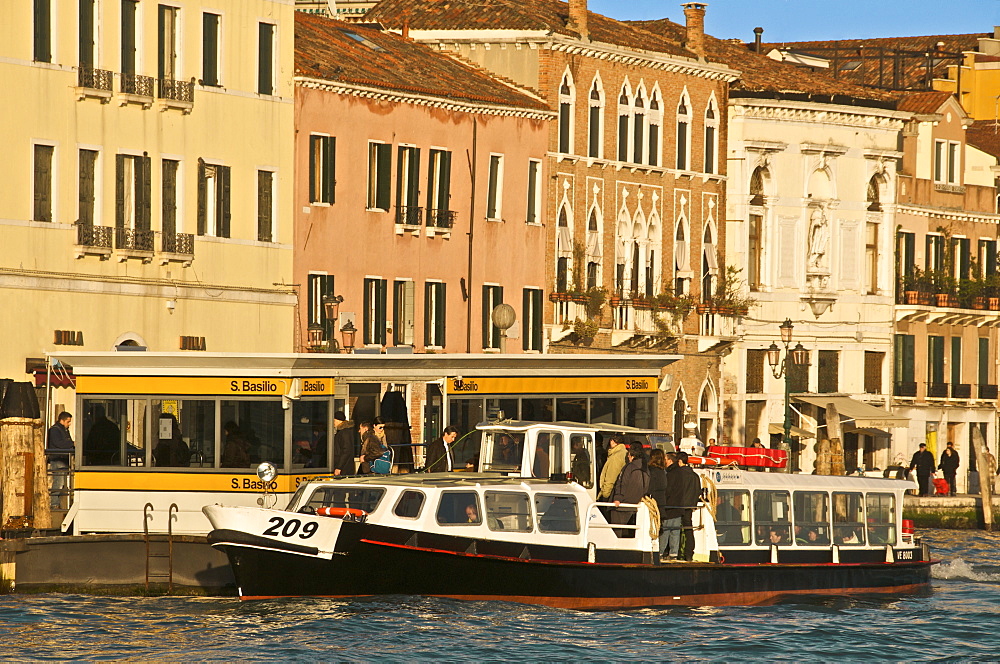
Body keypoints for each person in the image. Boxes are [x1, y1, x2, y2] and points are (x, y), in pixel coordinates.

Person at [662, 451, 701, 561]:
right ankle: (688, 553)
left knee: (672, 530)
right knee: (688, 530)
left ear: (679, 461)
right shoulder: (694, 476)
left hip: (678, 506)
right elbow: (697, 491)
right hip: (689, 507)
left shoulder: (678, 474)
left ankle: (671, 552)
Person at [609, 442, 650, 538]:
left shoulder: (629, 467)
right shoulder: (645, 469)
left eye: (629, 455)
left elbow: (621, 483)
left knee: (616, 532)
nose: (627, 457)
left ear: (632, 456)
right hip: (636, 504)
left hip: (623, 505)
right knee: (632, 533)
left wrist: (617, 498)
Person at [46, 411, 73, 508]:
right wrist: (72, 444)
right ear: (62, 420)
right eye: (68, 422)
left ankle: (57, 503)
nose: (69, 424)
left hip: (62, 458)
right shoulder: (55, 430)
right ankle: (54, 503)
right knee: (59, 482)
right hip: (58, 459)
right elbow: (59, 444)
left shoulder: (62, 430)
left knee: (61, 482)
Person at [647, 449, 672, 556]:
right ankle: (660, 552)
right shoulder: (663, 471)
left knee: (651, 528)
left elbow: (650, 488)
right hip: (661, 503)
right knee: (659, 528)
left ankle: (653, 551)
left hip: (653, 503)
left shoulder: (651, 471)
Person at [598, 433, 627, 501]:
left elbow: (611, 477)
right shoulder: (624, 453)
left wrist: (605, 494)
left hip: (611, 493)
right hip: (619, 492)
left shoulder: (615, 457)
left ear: (612, 441)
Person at [332, 411, 357, 476]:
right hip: (344, 467)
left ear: (338, 420)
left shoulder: (344, 433)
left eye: (334, 420)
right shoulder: (344, 432)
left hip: (344, 469)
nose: (333, 423)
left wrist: (339, 467)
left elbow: (346, 451)